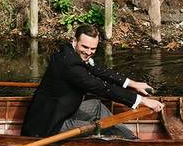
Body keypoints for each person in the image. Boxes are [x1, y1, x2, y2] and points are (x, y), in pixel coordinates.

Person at [21, 25, 164, 139]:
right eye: (85, 47)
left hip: (64, 110)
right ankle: (127, 144)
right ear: (75, 42)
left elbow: (100, 71)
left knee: (96, 106)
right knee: (98, 126)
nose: (88, 52)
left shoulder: (72, 53)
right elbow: (101, 87)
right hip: (49, 125)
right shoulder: (70, 65)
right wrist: (142, 101)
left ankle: (130, 139)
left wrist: (133, 83)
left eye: (93, 49)